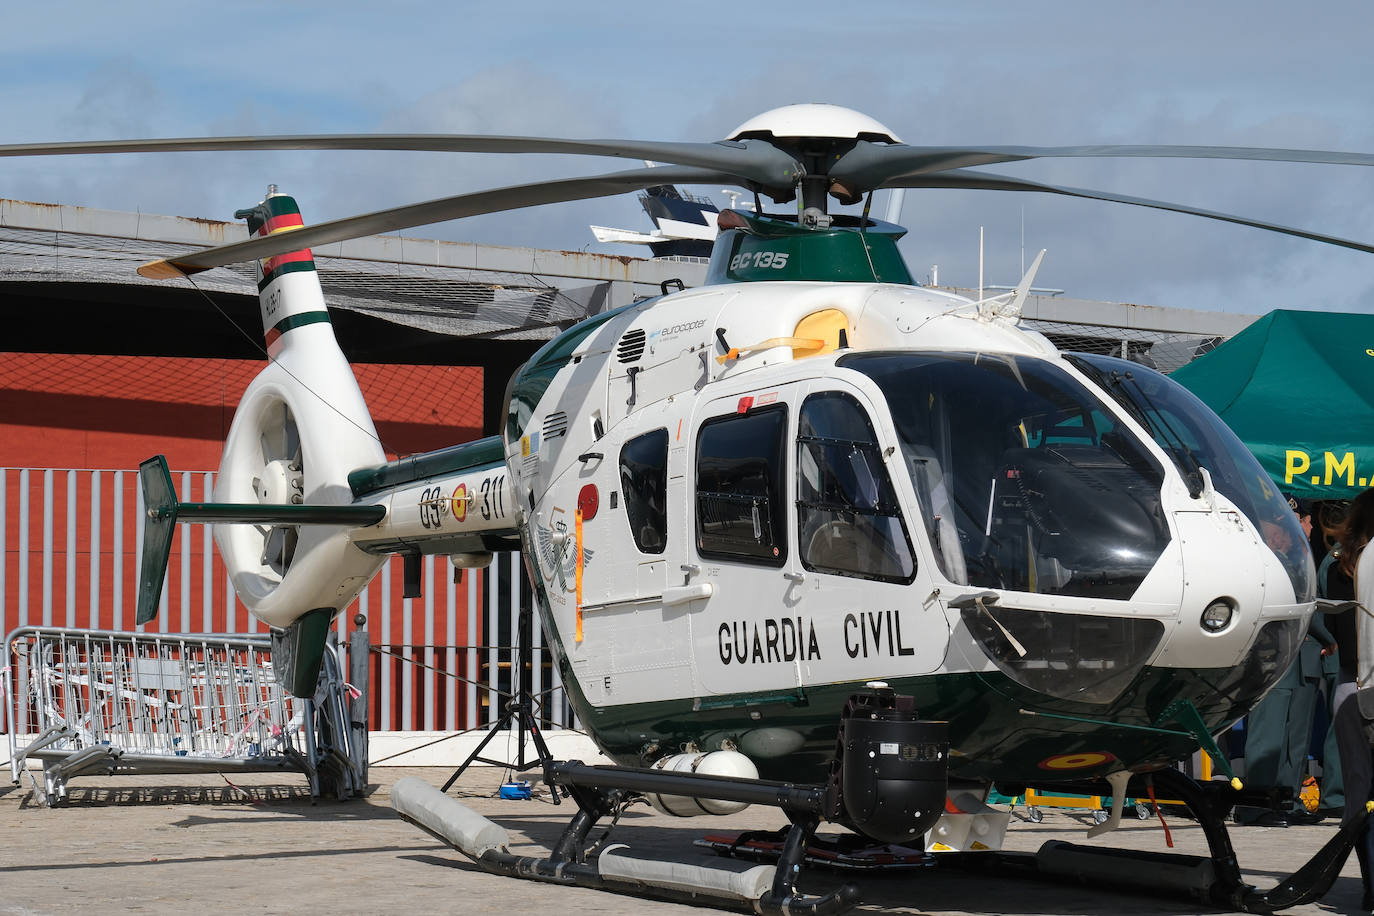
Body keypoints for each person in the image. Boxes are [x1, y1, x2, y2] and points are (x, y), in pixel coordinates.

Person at [1234, 497, 1329, 827]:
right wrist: (1332, 638)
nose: (1309, 528)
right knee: (1269, 733)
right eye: (1305, 522)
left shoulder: (1297, 556)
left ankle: (1285, 801)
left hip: (1303, 658)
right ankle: (1254, 804)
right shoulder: (1269, 559)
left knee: (1295, 738)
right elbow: (1303, 601)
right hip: (1275, 656)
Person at [1330, 487, 1374, 910]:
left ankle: (1369, 885)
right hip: (1368, 684)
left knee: (1359, 792)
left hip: (1349, 684)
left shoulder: (1339, 566)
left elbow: (1344, 637)